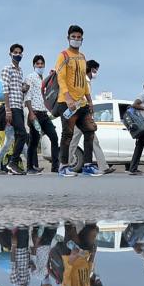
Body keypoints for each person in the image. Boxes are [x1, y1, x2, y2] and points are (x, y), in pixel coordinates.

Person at [55, 25, 102, 177]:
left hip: (81, 103)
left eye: (78, 37)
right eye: (73, 36)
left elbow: (83, 80)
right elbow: (60, 78)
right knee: (67, 134)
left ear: (82, 39)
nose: (76, 39)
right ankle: (63, 167)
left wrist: (89, 101)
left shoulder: (82, 57)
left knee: (90, 131)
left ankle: (88, 165)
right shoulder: (63, 55)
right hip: (67, 103)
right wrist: (68, 97)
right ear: (68, 38)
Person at [67, 60, 114, 174]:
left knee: (91, 141)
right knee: (74, 141)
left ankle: (103, 166)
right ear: (89, 69)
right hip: (80, 116)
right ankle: (64, 165)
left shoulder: (87, 82)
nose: (95, 73)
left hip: (83, 115)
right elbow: (78, 99)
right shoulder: (82, 81)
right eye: (94, 70)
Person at [25, 55, 59, 173]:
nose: (40, 66)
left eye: (42, 64)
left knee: (54, 138)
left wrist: (52, 75)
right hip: (35, 113)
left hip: (44, 114)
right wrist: (31, 113)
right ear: (34, 65)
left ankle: (55, 167)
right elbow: (27, 96)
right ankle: (30, 167)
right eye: (37, 64)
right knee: (33, 141)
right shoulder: (30, 77)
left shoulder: (43, 79)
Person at [1, 44, 29, 175]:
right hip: (12, 106)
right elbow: (5, 89)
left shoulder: (20, 70)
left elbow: (18, 89)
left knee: (19, 135)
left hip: (19, 105)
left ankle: (13, 165)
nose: (18, 55)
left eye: (20, 53)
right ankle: (12, 163)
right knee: (22, 134)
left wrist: (24, 88)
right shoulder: (7, 69)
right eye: (15, 52)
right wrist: (7, 109)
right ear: (10, 54)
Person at [128, 81, 144, 174]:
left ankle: (133, 168)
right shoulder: (143, 95)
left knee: (139, 147)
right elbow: (134, 104)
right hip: (141, 125)